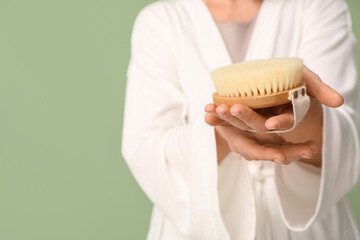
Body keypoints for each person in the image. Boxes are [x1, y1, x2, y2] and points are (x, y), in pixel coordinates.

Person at [122, 0, 360, 239]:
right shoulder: (160, 20)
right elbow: (144, 149)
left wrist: (302, 112)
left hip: (309, 229)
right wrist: (221, 134)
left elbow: (344, 140)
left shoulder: (318, 6)